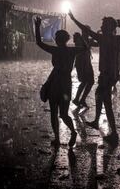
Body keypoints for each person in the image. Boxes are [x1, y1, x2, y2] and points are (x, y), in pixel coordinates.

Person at [68, 10, 120, 143]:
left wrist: (74, 19)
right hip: (109, 74)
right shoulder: (116, 38)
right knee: (99, 95)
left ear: (110, 27)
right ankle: (96, 121)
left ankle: (114, 133)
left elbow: (84, 29)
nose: (101, 27)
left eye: (104, 25)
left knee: (107, 103)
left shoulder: (104, 38)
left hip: (108, 75)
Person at [35, 17, 86, 147]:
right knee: (63, 114)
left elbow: (39, 43)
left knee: (54, 113)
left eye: (57, 37)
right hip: (65, 84)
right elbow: (85, 48)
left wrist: (37, 26)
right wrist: (82, 37)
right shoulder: (72, 50)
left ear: (60, 40)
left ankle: (58, 138)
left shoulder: (56, 50)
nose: (56, 39)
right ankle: (70, 133)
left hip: (55, 83)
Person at [72, 30, 96, 108]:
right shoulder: (80, 39)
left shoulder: (85, 40)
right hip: (82, 63)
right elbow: (84, 48)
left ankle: (81, 99)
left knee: (89, 82)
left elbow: (97, 44)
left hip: (86, 63)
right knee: (85, 81)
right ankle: (78, 99)